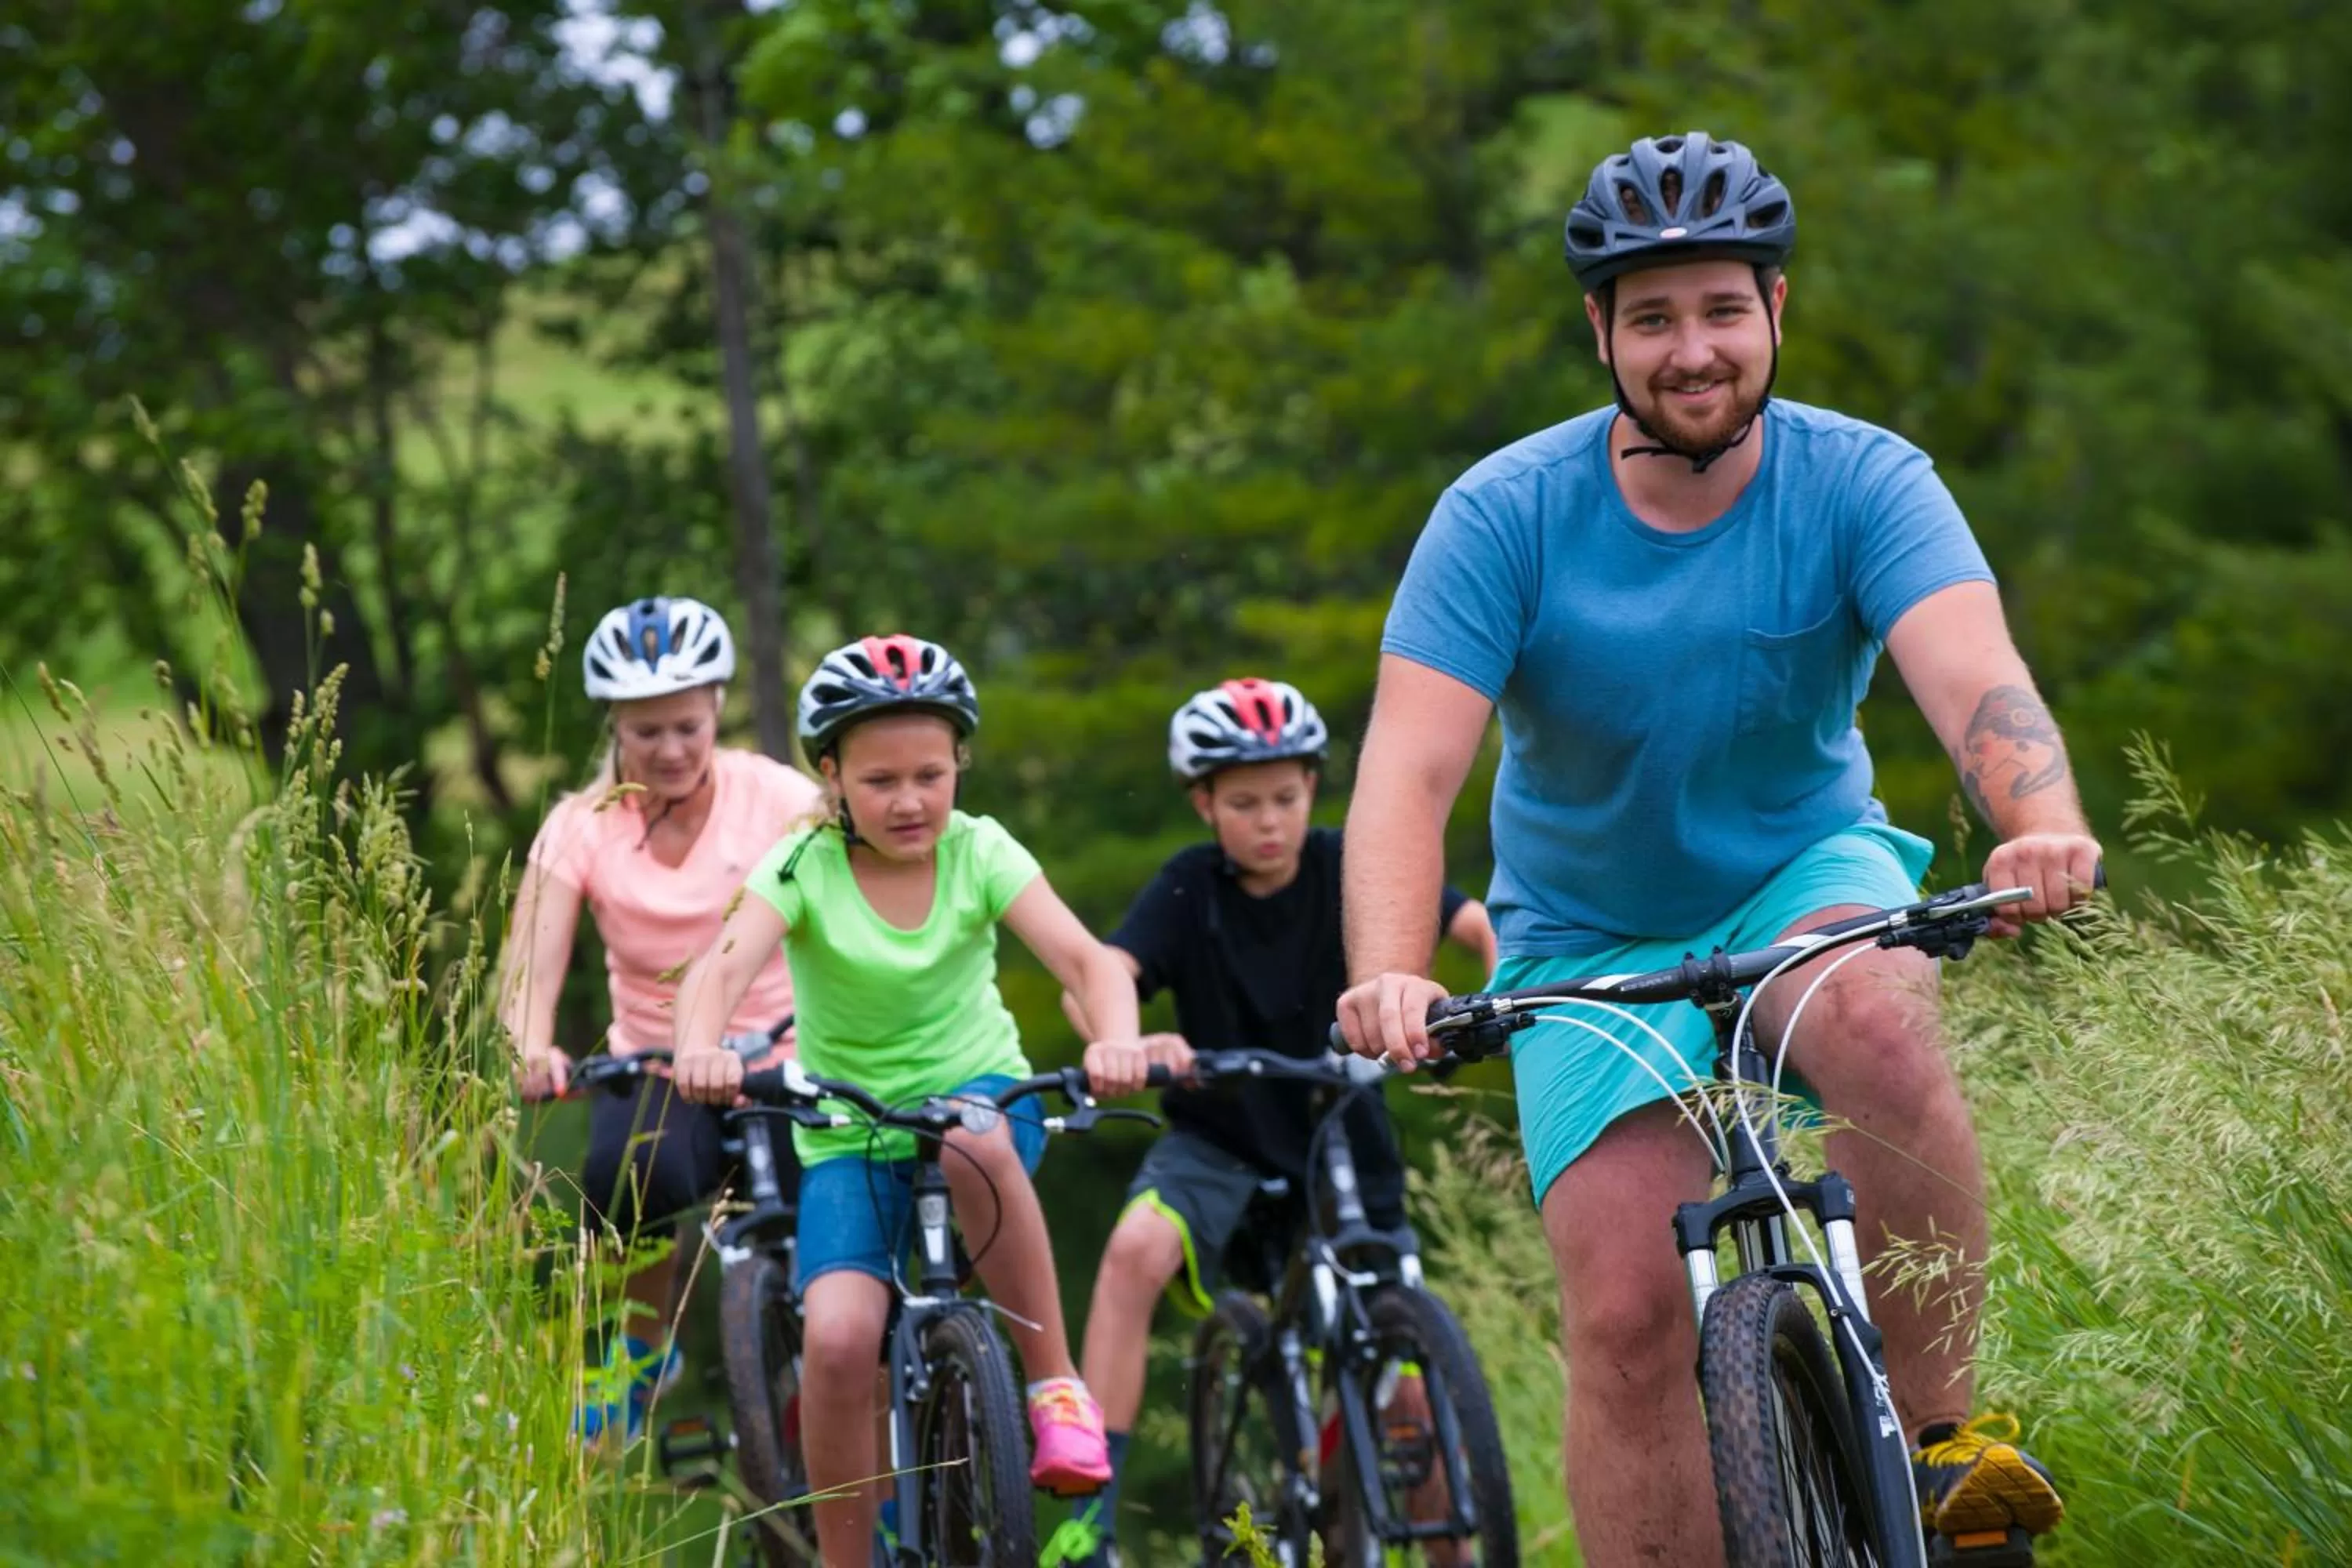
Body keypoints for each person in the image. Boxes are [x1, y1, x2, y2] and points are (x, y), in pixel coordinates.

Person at [1333, 132, 2097, 1565]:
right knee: (1625, 1312)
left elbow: (1971, 673)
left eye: (1722, 310)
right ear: (1601, 333)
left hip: (1803, 872)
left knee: (1866, 1001)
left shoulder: (1865, 481)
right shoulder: (1502, 517)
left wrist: (2038, 824)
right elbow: (1405, 768)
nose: (1694, 351)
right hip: (1581, 936)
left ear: (1777, 313)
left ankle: (1950, 1444)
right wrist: (1386, 971)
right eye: (1654, 317)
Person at [670, 633, 1151, 1563]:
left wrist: (1114, 1035)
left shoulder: (979, 851)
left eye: (931, 773)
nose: (910, 800)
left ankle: (1053, 1384)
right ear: (832, 775)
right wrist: (699, 1046)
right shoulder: (803, 861)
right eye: (880, 778)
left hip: (981, 1101)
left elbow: (1089, 960)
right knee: (843, 1342)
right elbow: (716, 969)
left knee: (975, 1137)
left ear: (959, 764)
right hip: (850, 1130)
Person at [1060, 677, 1496, 1560]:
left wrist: (1496, 977)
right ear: (1203, 801)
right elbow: (1101, 971)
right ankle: (1089, 1512)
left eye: (1287, 797)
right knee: (1134, 1251)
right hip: (1217, 1133)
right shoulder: (1189, 887)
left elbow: (1470, 919)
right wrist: (1120, 1042)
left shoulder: (1347, 861)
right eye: (1244, 802)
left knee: (1413, 1385)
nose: (1270, 820)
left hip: (1340, 1132)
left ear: (1313, 791)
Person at [500, 595, 824, 1443]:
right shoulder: (580, 827)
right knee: (623, 1175)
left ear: (716, 708)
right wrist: (530, 1045)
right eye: (648, 732)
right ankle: (643, 1352)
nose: (672, 749)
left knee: (830, 1207)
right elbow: (529, 963)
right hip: (655, 1062)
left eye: (688, 724)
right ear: (615, 727)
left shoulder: (781, 798)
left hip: (785, 1051)